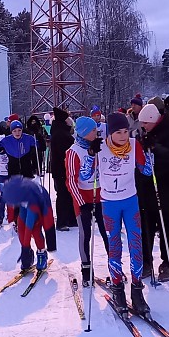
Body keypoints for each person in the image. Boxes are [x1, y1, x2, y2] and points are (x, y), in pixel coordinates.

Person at [97, 112, 153, 317]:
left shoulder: (133, 144)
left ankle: (137, 292)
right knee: (114, 245)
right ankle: (118, 289)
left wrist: (147, 154)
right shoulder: (100, 147)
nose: (122, 136)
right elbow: (85, 175)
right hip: (109, 203)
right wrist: (89, 155)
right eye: (118, 132)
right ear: (110, 133)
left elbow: (146, 171)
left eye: (125, 131)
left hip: (130, 201)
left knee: (135, 244)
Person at [138, 103, 169, 282]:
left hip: (168, 189)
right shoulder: (146, 134)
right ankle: (146, 261)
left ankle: (168, 263)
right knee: (146, 227)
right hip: (148, 189)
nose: (143, 126)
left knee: (168, 228)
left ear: (153, 120)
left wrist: (155, 149)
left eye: (145, 123)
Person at [65, 116, 110, 286]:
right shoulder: (73, 151)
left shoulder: (100, 146)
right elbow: (71, 180)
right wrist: (81, 202)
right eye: (92, 130)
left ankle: (113, 266)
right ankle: (86, 270)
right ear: (84, 133)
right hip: (83, 198)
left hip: (101, 196)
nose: (96, 132)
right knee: (85, 235)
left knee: (108, 233)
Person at [0, 176, 56, 271]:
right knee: (21, 228)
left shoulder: (32, 199)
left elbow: (29, 226)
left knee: (35, 230)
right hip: (25, 202)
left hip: (39, 204)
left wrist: (25, 248)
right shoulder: (13, 188)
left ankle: (41, 254)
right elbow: (0, 186)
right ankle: (29, 255)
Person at [49, 107, 76, 231]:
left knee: (68, 193)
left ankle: (70, 219)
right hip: (62, 168)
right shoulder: (61, 134)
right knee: (63, 194)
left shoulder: (59, 131)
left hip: (61, 168)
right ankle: (62, 221)